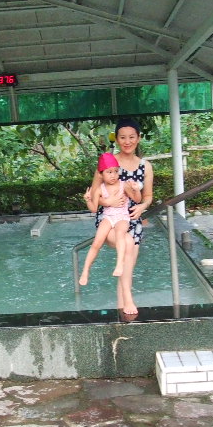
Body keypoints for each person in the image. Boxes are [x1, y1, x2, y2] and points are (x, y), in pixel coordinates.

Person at [84, 118, 153, 315]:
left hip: (132, 220)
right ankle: (128, 300)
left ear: (138, 138)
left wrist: (142, 207)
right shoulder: (108, 162)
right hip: (109, 219)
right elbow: (94, 195)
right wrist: (109, 202)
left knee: (127, 267)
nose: (127, 141)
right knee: (127, 244)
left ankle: (122, 310)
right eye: (122, 137)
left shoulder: (145, 166)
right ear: (116, 139)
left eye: (131, 137)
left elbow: (148, 196)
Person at [79, 153, 141, 286]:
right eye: (109, 172)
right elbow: (94, 209)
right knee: (97, 242)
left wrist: (136, 190)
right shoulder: (99, 189)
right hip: (107, 217)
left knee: (120, 234)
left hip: (122, 217)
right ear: (101, 174)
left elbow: (137, 200)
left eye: (115, 171)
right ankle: (85, 270)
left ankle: (119, 264)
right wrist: (88, 200)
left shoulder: (123, 185)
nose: (113, 175)